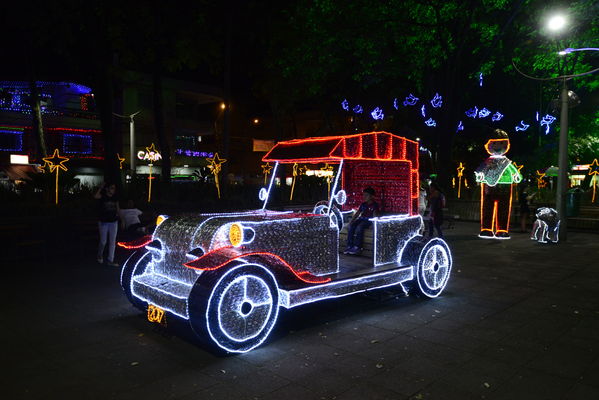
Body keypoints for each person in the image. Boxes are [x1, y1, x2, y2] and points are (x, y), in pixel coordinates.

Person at [475, 129, 522, 239]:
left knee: (504, 209)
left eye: (501, 143)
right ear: (488, 145)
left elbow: (517, 175)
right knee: (487, 208)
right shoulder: (487, 162)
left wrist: (516, 176)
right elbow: (479, 172)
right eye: (494, 143)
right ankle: (486, 229)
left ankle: (502, 229)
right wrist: (480, 176)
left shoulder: (507, 163)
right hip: (488, 187)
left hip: (505, 186)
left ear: (507, 144)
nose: (498, 146)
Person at [344, 187, 379, 255]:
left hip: (368, 220)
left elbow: (375, 215)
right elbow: (357, 213)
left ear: (371, 196)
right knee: (352, 226)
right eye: (363, 195)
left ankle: (358, 247)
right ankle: (349, 245)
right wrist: (351, 221)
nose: (364, 197)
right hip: (361, 219)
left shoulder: (375, 205)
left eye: (366, 195)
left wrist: (374, 224)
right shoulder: (363, 204)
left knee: (360, 227)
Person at [94, 182, 119, 266]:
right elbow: (95, 196)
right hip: (104, 222)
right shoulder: (103, 197)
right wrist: (100, 188)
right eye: (112, 188)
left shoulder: (115, 198)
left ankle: (110, 260)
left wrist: (121, 218)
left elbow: (117, 208)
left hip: (113, 222)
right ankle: (100, 255)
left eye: (114, 188)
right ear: (107, 189)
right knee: (103, 241)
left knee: (112, 241)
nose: (113, 190)